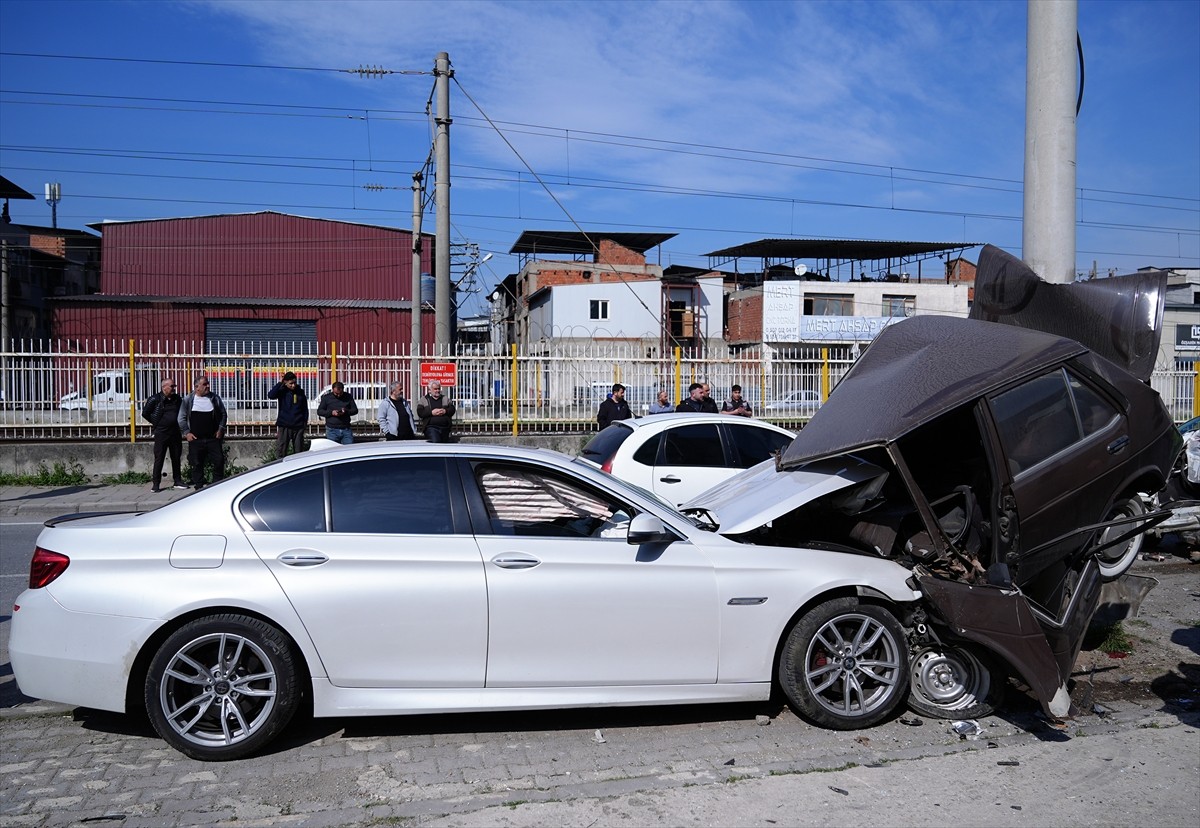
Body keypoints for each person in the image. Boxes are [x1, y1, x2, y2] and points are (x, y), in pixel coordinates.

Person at [177, 376, 228, 490]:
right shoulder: (188, 400)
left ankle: (217, 485)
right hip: (196, 439)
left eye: (207, 383)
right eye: (205, 384)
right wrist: (187, 433)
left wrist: (220, 429)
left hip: (213, 438)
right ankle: (199, 486)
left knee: (219, 461)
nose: (208, 386)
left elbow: (223, 414)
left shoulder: (214, 398)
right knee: (196, 463)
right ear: (197, 387)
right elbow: (181, 418)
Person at [141, 378, 187, 492]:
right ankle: (156, 484)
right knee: (159, 458)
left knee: (176, 457)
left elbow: (182, 412)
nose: (174, 388)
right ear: (164, 387)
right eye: (172, 386)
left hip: (175, 432)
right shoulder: (155, 399)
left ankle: (177, 481)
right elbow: (145, 413)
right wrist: (156, 422)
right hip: (161, 433)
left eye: (174, 386)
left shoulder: (177, 399)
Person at [267, 371, 309, 458]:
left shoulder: (300, 392)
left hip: (298, 426)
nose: (293, 385)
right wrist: (280, 383)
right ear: (285, 382)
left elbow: (304, 408)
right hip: (284, 425)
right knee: (281, 450)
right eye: (291, 383)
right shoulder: (282, 391)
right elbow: (271, 395)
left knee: (299, 452)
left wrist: (304, 422)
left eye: (294, 383)